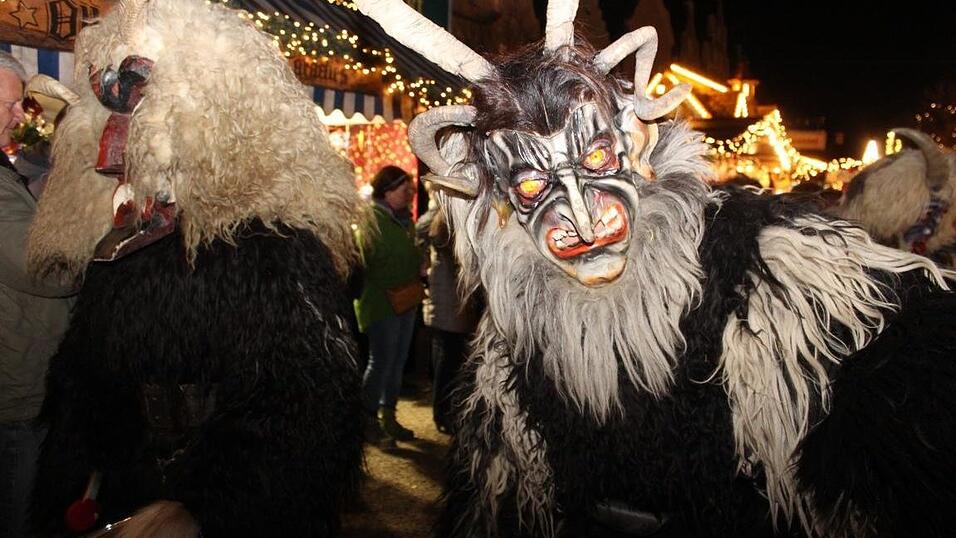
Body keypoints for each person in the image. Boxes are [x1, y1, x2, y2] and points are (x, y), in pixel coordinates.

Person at [359, 1, 956, 537]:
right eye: (536, 185)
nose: (585, 219)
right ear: (500, 206)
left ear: (637, 149)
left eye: (596, 160)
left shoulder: (776, 272)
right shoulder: (508, 350)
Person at [27, 1, 366, 536]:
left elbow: (304, 410)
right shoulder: (117, 239)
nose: (118, 141)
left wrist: (200, 511)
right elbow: (85, 383)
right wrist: (76, 485)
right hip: (124, 494)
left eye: (139, 107)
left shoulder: (272, 247)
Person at [0, 52, 76, 538]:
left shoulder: (11, 175)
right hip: (16, 395)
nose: (17, 115)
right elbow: (45, 269)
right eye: (8, 105)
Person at [355, 165, 424, 445]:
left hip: (406, 299)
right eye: (403, 189)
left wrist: (418, 260)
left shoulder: (405, 220)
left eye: (410, 190)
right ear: (387, 190)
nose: (408, 195)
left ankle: (389, 415)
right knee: (381, 361)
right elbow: (367, 262)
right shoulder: (370, 220)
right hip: (382, 303)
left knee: (396, 362)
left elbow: (407, 254)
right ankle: (367, 418)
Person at [416, 198, 479, 434]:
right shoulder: (441, 226)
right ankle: (442, 413)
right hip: (448, 305)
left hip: (453, 306)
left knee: (449, 361)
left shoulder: (443, 226)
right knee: (446, 361)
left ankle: (446, 411)